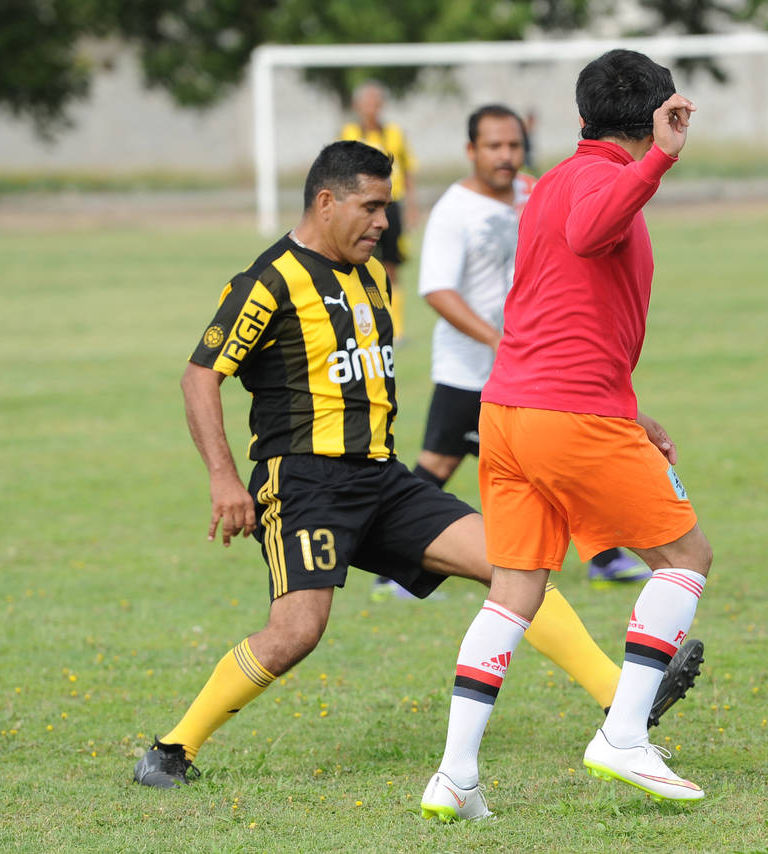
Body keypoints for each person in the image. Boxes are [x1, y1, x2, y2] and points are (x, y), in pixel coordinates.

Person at [132, 140, 700, 789]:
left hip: (382, 478)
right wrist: (223, 477)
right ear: (326, 200)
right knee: (296, 631)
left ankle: (621, 697)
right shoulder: (270, 280)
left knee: (513, 564)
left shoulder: (372, 275)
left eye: (389, 208)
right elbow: (199, 375)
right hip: (305, 482)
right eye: (372, 208)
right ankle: (172, 751)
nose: (384, 223)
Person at [420, 50, 709, 822]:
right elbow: (590, 235)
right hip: (567, 416)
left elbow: (564, 305)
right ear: (656, 118)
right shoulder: (605, 183)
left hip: (509, 412)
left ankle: (454, 775)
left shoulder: (547, 183)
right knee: (685, 558)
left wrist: (630, 405)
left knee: (513, 591)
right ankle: (622, 733)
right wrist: (657, 167)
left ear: (581, 116)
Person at [408, 103, 650, 593]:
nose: (506, 155)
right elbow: (436, 289)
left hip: (536, 369)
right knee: (436, 464)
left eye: (514, 145)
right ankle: (401, 557)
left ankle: (604, 556)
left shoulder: (538, 190)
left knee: (559, 460)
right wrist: (495, 339)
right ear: (470, 151)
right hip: (469, 367)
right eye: (494, 146)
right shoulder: (454, 210)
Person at [340, 81, 418, 342]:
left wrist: (412, 208)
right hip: (360, 207)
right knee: (356, 262)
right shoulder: (348, 132)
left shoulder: (395, 133)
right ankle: (360, 323)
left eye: (375, 103)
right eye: (366, 103)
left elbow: (407, 171)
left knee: (392, 266)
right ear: (357, 106)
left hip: (392, 205)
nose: (371, 108)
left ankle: (396, 328)